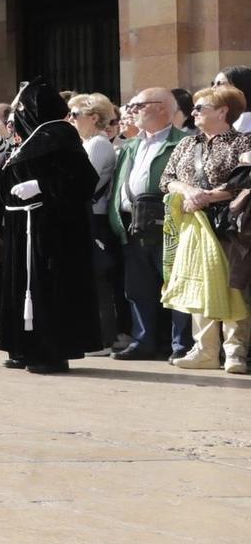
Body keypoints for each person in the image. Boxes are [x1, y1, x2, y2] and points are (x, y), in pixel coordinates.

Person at [0, 79, 102, 373]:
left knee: (46, 288)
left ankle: (51, 352)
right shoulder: (31, 139)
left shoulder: (60, 136)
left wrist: (41, 185)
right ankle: (24, 347)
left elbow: (84, 181)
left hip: (50, 226)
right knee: (20, 285)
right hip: (22, 221)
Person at [161, 83, 251, 371]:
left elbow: (245, 180)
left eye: (202, 107)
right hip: (192, 222)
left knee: (231, 284)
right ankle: (205, 350)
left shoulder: (244, 143)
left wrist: (208, 196)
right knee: (199, 284)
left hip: (229, 224)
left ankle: (235, 351)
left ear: (224, 111)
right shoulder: (188, 143)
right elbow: (167, 179)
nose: (194, 111)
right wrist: (188, 192)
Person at [107, 86, 191, 360]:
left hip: (168, 225)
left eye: (139, 106)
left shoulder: (184, 142)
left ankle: (181, 345)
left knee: (176, 286)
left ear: (163, 108)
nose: (131, 111)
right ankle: (144, 341)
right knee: (138, 288)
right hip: (133, 224)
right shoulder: (131, 144)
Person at [67, 92, 122, 350]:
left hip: (95, 218)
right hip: (88, 216)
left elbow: (82, 182)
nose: (71, 119)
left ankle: (103, 338)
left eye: (75, 114)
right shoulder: (89, 143)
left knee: (97, 280)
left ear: (94, 117)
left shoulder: (98, 144)